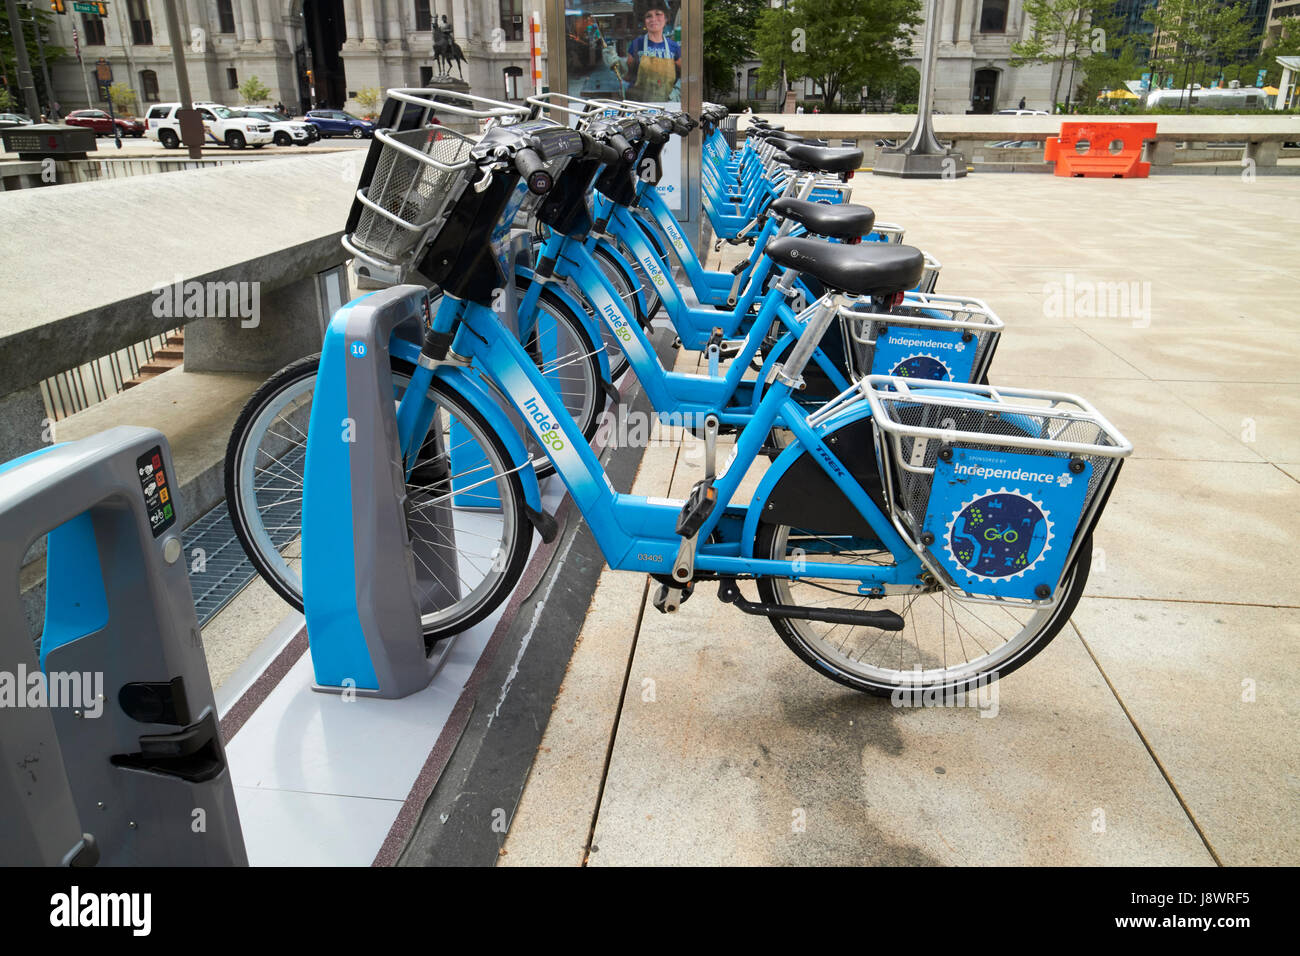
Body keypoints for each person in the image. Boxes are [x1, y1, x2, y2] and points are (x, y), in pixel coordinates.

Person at [626, 1, 681, 102]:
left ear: (666, 18)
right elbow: (628, 74)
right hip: (641, 105)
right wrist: (616, 63)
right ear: (644, 21)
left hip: (667, 105)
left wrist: (676, 93)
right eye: (648, 16)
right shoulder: (637, 44)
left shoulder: (674, 47)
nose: (653, 19)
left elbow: (685, 76)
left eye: (658, 14)